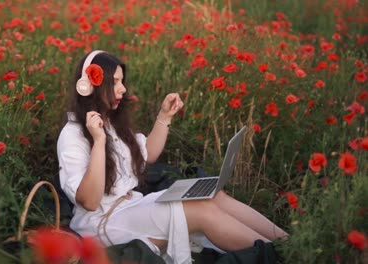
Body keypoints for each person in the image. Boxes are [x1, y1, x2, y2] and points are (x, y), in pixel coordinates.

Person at [56, 50, 288, 264]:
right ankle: (280, 257)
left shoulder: (112, 122)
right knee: (200, 211)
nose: (123, 89)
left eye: (122, 81)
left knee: (213, 194)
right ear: (90, 86)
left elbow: (149, 154)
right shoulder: (73, 135)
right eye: (115, 82)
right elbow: (90, 201)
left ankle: (286, 243)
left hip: (132, 205)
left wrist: (164, 116)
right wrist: (98, 143)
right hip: (104, 223)